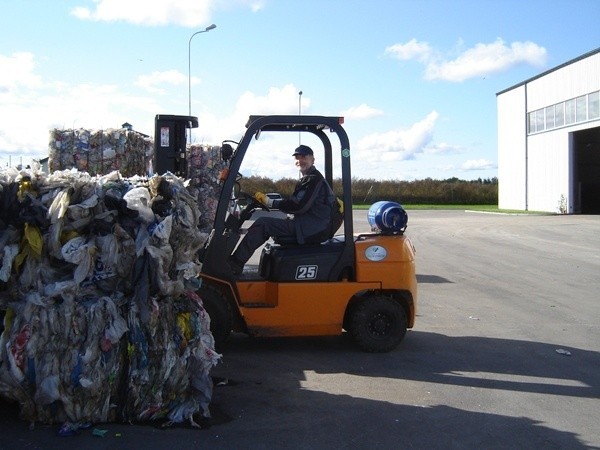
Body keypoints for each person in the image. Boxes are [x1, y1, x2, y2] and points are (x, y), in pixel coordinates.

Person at [228, 144, 335, 275]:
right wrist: (271, 203)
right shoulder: (309, 179)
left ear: (313, 159)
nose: (300, 160)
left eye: (304, 157)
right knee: (270, 222)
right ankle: (235, 263)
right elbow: (296, 204)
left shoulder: (313, 180)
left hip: (309, 227)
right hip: (310, 224)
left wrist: (271, 202)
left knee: (263, 224)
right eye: (297, 157)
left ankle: (234, 264)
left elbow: (298, 206)